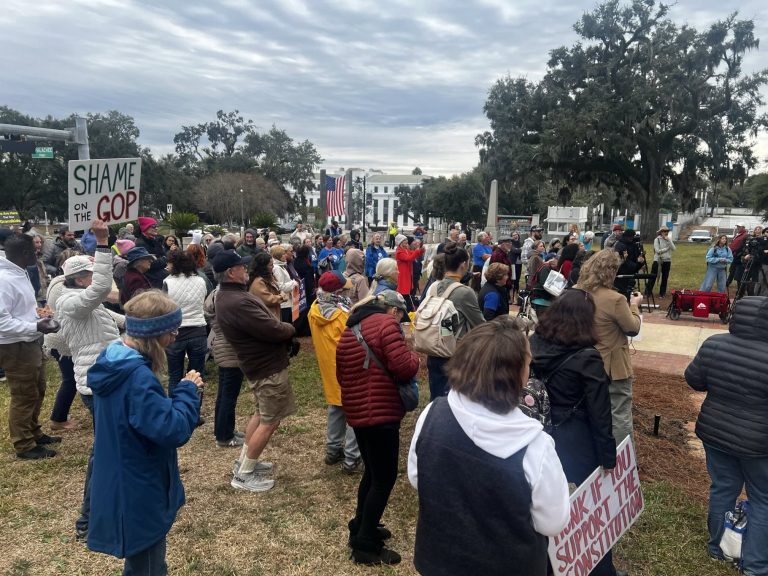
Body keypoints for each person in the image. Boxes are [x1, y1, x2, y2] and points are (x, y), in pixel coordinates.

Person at [408, 317, 569, 575]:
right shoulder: (535, 447)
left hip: (439, 559)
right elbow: (552, 522)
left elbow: (418, 477)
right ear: (516, 374)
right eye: (528, 362)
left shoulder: (432, 414)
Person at [86, 290, 202, 573]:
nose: (176, 335)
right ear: (153, 333)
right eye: (171, 329)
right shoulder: (137, 378)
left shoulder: (116, 362)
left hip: (123, 475)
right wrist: (188, 391)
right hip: (138, 485)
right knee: (147, 564)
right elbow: (172, 429)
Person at [530, 289, 622, 576]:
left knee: (544, 504)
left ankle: (547, 563)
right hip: (576, 438)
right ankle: (600, 569)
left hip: (540, 432)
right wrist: (609, 457)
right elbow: (600, 412)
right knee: (593, 510)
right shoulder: (588, 357)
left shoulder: (534, 342)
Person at [685, 296, 768, 573]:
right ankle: (755, 565)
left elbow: (694, 379)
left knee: (723, 487)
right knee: (762, 499)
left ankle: (717, 548)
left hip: (716, 432)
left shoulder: (714, 344)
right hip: (758, 442)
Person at [337, 289, 420, 565]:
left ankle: (362, 524)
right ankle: (363, 545)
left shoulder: (351, 328)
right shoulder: (387, 325)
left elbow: (342, 373)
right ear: (394, 311)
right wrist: (416, 358)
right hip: (382, 413)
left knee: (372, 474)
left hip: (359, 411)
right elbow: (404, 367)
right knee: (383, 479)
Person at [54, 221, 126, 539]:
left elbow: (120, 319)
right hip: (97, 385)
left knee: (113, 445)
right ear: (81, 277)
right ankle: (87, 518)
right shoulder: (71, 303)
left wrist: (156, 319)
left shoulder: (87, 305)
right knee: (105, 450)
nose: (94, 279)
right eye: (90, 274)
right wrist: (102, 242)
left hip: (108, 379)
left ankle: (109, 503)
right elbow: (100, 290)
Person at [214, 250, 296, 492]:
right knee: (270, 420)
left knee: (261, 413)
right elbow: (271, 328)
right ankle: (244, 475)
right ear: (231, 272)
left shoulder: (228, 296)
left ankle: (245, 461)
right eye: (241, 267)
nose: (246, 270)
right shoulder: (238, 301)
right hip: (265, 365)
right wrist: (290, 329)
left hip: (257, 363)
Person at [0, 233, 61, 459]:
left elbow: (21, 308)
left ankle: (34, 432)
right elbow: (2, 322)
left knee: (38, 389)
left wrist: (40, 316)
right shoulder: (4, 279)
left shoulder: (19, 272)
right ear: (25, 253)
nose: (38, 254)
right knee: (24, 395)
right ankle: (24, 444)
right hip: (14, 346)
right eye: (35, 251)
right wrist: (36, 327)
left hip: (29, 340)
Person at [577, 249, 642, 444]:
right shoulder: (616, 299)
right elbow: (632, 328)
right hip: (612, 367)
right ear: (611, 271)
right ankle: (623, 460)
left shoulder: (575, 291)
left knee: (587, 410)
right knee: (619, 413)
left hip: (581, 362)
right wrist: (635, 305)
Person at [309, 271, 362, 474]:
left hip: (328, 368)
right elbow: (354, 341)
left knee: (336, 407)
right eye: (345, 288)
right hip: (347, 368)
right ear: (338, 291)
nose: (348, 291)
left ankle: (333, 450)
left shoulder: (314, 309)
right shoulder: (342, 316)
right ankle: (351, 457)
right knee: (354, 412)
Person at [424, 242, 485, 401]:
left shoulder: (434, 286)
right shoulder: (464, 292)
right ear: (464, 265)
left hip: (434, 348)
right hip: (455, 353)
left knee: (435, 397)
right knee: (454, 400)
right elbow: (480, 325)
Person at [204, 283, 246, 449]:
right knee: (228, 395)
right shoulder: (223, 297)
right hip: (229, 350)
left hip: (223, 348)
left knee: (224, 394)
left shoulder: (216, 293)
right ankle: (224, 437)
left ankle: (224, 430)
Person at [163, 251, 209, 400]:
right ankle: (194, 410)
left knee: (175, 375)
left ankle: (175, 410)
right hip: (198, 330)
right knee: (196, 374)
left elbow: (164, 307)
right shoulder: (200, 280)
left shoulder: (168, 282)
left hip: (175, 333)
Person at [248, 252, 285, 319]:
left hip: (272, 315)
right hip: (266, 318)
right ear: (263, 267)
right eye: (271, 265)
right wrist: (281, 296)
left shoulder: (269, 277)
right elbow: (268, 299)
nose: (273, 267)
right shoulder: (258, 282)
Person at [134, 217, 168, 288]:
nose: (156, 228)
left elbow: (161, 255)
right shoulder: (140, 244)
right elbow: (149, 264)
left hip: (158, 278)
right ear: (145, 228)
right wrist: (165, 259)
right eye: (153, 226)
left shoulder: (155, 240)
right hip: (151, 281)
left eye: (157, 226)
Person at [395, 233, 425, 311]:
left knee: (407, 291)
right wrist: (417, 251)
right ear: (400, 242)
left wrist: (421, 250)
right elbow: (409, 258)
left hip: (407, 274)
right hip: (403, 275)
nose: (407, 241)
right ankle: (408, 309)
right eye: (405, 240)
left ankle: (408, 308)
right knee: (404, 292)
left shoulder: (405, 249)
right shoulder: (399, 252)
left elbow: (412, 253)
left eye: (406, 240)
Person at [644, 226, 676, 299]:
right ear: (661, 232)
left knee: (665, 277)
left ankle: (662, 293)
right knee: (653, 276)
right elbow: (658, 251)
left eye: (667, 231)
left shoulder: (669, 239)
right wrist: (667, 248)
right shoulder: (657, 240)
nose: (666, 232)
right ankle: (647, 292)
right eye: (664, 231)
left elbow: (674, 248)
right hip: (657, 260)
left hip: (667, 261)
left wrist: (669, 241)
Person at [613, 229, 645, 298]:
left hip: (631, 270)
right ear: (626, 236)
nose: (631, 238)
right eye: (630, 237)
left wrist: (640, 262)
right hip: (622, 272)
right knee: (622, 291)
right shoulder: (620, 245)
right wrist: (636, 265)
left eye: (632, 236)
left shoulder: (633, 244)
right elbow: (624, 260)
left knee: (629, 289)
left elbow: (637, 255)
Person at [270, 245, 298, 323]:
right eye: (283, 254)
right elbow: (280, 286)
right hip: (283, 304)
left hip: (287, 301)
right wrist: (293, 283)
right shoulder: (277, 268)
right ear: (278, 255)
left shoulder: (282, 266)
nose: (285, 255)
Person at [726, 223, 748, 289]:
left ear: (743, 227)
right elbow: (733, 243)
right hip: (734, 255)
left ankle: (739, 288)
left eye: (739, 227)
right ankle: (728, 282)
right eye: (737, 226)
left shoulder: (745, 235)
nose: (738, 228)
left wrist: (736, 252)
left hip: (739, 256)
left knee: (738, 272)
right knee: (732, 269)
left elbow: (740, 245)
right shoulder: (738, 234)